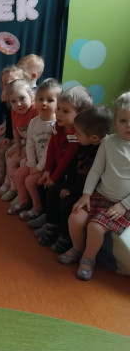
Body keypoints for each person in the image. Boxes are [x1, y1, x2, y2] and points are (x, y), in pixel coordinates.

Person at [58, 92, 130, 281]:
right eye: (123, 120)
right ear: (115, 122)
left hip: (123, 204)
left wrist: (124, 205)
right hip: (100, 195)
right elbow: (95, 171)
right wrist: (86, 195)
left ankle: (88, 259)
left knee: (96, 228)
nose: (128, 125)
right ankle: (78, 248)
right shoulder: (108, 142)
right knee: (75, 218)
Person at [36, 106, 112, 252]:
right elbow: (72, 165)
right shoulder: (83, 142)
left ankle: (65, 236)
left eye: (78, 133)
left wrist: (72, 190)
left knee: (67, 203)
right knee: (52, 191)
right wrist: (67, 185)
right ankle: (52, 224)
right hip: (74, 182)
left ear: (94, 138)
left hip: (86, 189)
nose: (75, 135)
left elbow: (90, 177)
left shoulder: (102, 150)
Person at [29, 86, 93, 230]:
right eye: (58, 108)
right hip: (57, 169)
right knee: (41, 184)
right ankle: (46, 214)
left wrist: (53, 178)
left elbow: (67, 160)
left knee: (53, 191)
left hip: (69, 175)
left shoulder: (75, 135)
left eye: (65, 111)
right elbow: (51, 149)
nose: (58, 113)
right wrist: (47, 171)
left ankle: (53, 224)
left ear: (80, 115)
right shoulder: (57, 126)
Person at [8, 79, 61, 218]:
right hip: (35, 162)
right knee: (19, 174)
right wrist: (31, 164)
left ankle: (37, 208)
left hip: (48, 165)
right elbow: (30, 144)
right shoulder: (34, 122)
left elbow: (50, 151)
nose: (44, 103)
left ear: (58, 104)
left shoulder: (57, 125)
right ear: (35, 100)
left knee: (30, 181)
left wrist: (38, 167)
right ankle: (23, 202)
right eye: (40, 99)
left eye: (50, 100)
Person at [0, 79, 39, 201]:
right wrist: (18, 147)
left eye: (22, 99)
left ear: (31, 96)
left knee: (24, 163)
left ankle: (23, 193)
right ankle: (13, 188)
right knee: (10, 157)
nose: (18, 104)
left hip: (35, 147)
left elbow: (39, 137)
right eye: (13, 101)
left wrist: (28, 152)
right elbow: (15, 130)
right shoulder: (14, 112)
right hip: (25, 144)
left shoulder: (35, 111)